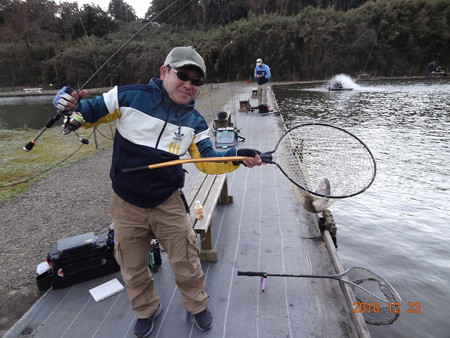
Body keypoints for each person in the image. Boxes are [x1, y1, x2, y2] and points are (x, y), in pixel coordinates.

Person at [53, 46, 262, 338]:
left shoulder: (195, 122)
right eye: (183, 75)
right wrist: (69, 104)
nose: (189, 84)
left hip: (168, 203)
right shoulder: (127, 96)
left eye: (197, 80)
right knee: (132, 265)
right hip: (126, 204)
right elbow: (87, 114)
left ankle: (197, 304)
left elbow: (209, 161)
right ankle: (146, 310)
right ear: (164, 72)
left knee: (187, 261)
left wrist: (239, 156)